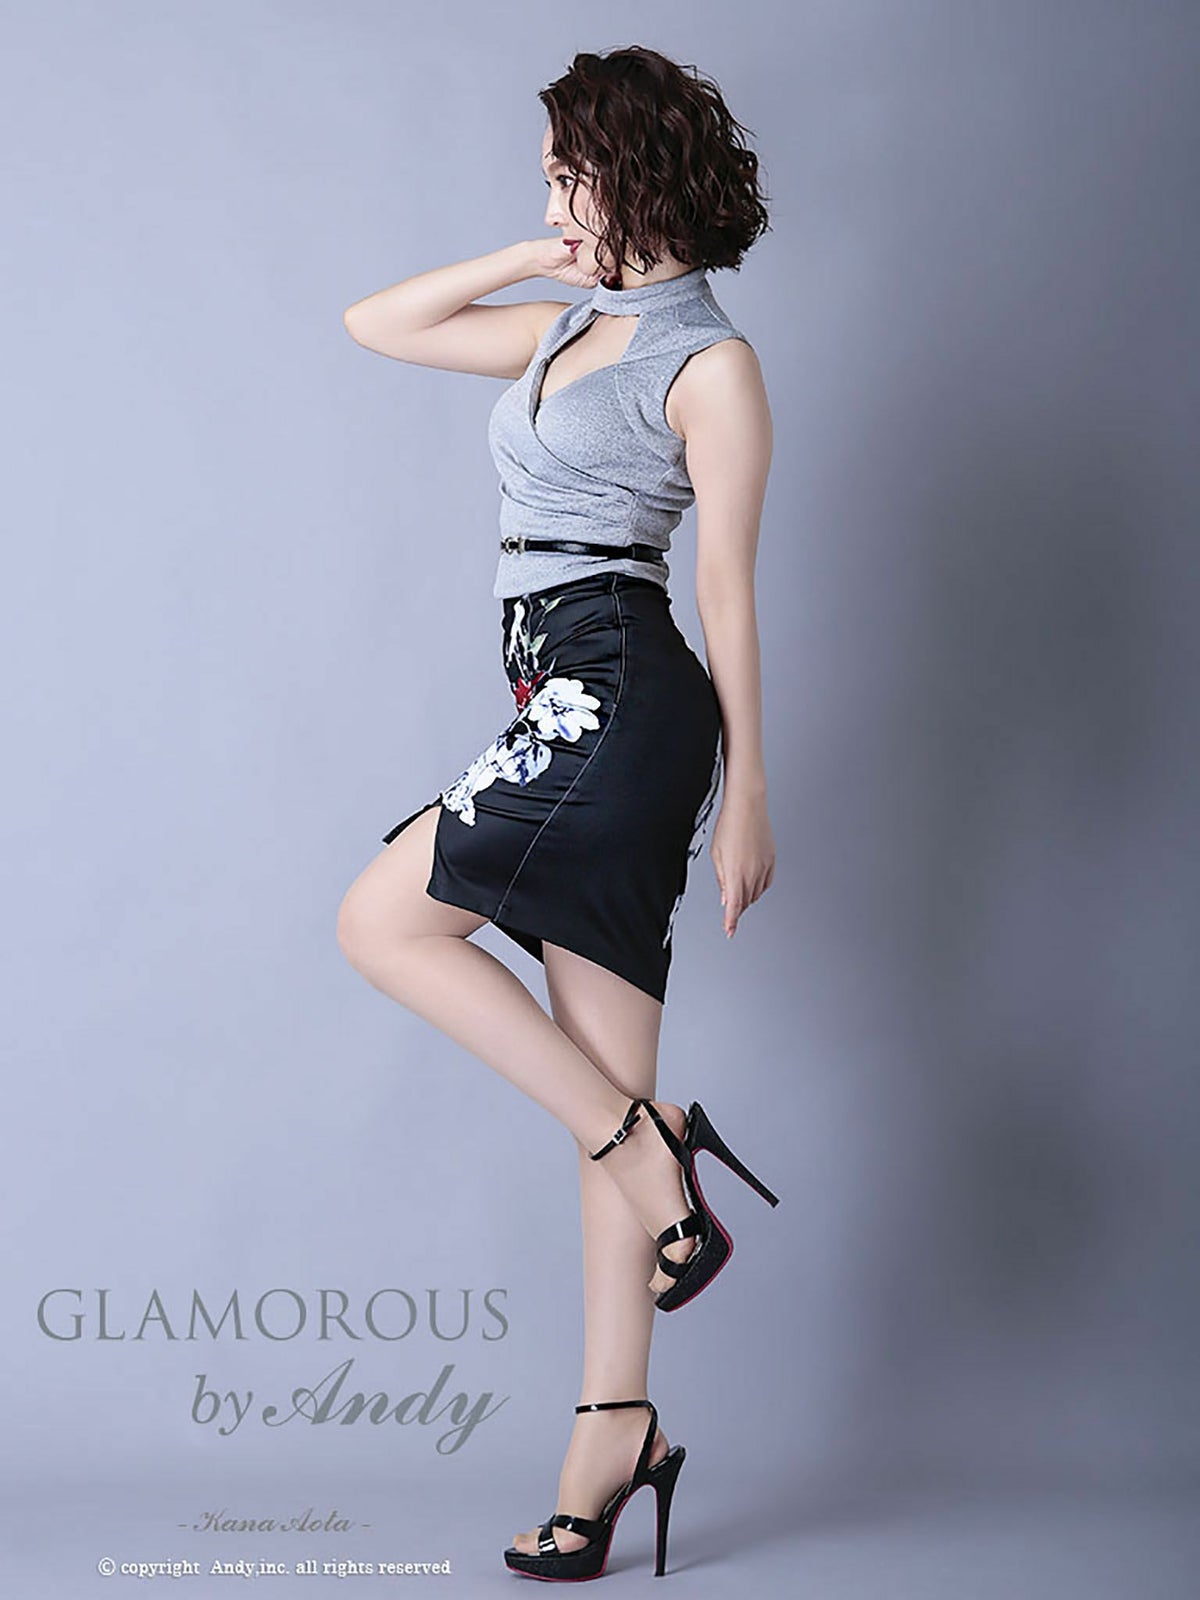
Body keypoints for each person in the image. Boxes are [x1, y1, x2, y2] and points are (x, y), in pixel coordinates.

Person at [336, 45, 778, 1582]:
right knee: (607, 1088)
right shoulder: (569, 325)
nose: (548, 201)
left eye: (563, 175)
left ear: (632, 167)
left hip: (622, 695)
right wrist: (537, 257)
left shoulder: (709, 365)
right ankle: (616, 1432)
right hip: (560, 697)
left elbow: (727, 594)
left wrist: (750, 795)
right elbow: (379, 323)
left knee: (382, 923)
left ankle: (652, 1158)